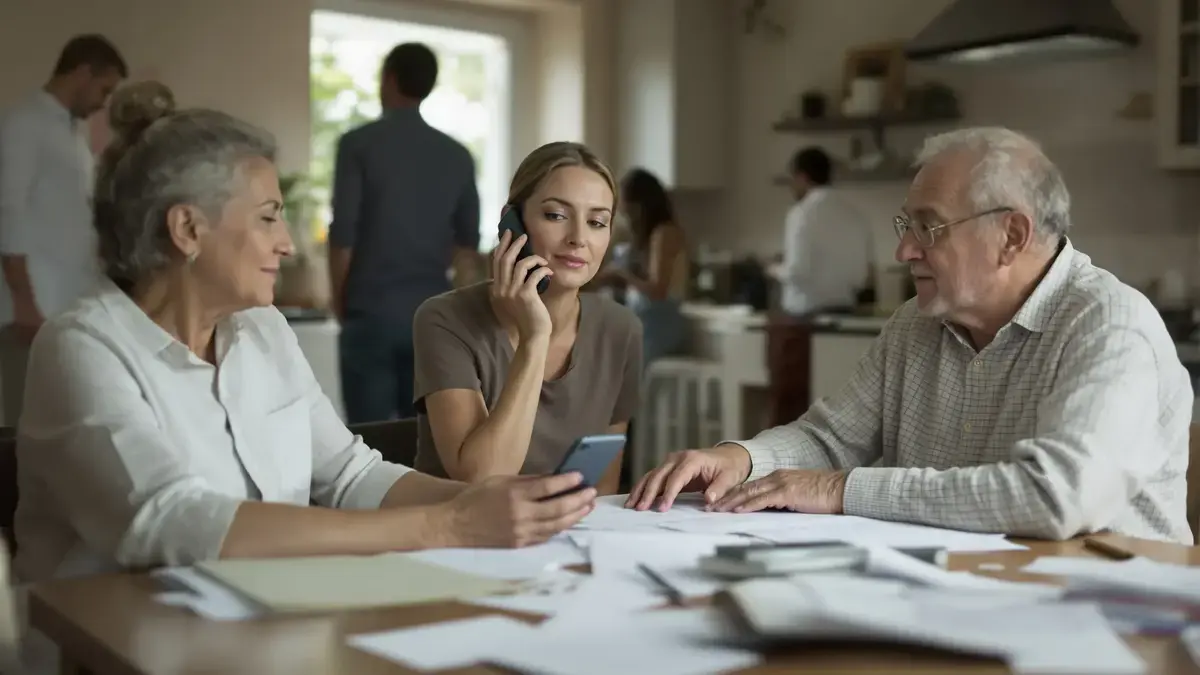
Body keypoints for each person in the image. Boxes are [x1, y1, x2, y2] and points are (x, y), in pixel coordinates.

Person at [12, 82, 597, 590]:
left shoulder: (261, 331)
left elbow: (350, 475)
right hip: (103, 651)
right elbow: (168, 521)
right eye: (269, 215)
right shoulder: (82, 347)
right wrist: (450, 525)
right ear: (187, 228)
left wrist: (504, 505)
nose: (287, 243)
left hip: (258, 629)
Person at [627, 126, 1193, 545]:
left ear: (1011, 236)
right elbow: (829, 439)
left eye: (929, 226)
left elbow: (1056, 496)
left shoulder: (1109, 324)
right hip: (962, 601)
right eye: (907, 225)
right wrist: (739, 458)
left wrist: (837, 490)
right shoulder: (914, 325)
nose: (904, 251)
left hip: (1104, 625)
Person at [410, 142, 642, 495]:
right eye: (556, 216)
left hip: (564, 539)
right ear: (512, 222)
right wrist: (536, 338)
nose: (579, 238)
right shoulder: (444, 320)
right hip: (458, 538)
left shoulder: (620, 329)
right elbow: (481, 482)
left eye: (597, 222)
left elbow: (602, 490)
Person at [327, 42, 480, 424]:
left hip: (370, 310)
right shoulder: (457, 156)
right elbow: (466, 247)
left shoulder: (357, 145)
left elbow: (343, 234)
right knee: (427, 438)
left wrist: (339, 299)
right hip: (433, 317)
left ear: (389, 79)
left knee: (370, 441)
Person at [0, 34, 127, 426]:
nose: (103, 102)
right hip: (32, 303)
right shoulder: (24, 123)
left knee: (64, 422)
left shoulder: (74, 132)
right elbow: (9, 210)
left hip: (68, 301)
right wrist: (23, 299)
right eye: (103, 89)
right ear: (83, 72)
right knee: (28, 421)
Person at [769, 146, 873, 316]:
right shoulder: (855, 216)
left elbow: (797, 272)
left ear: (802, 177)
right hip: (845, 313)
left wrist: (773, 269)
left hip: (805, 317)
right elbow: (861, 277)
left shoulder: (801, 213)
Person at [601, 168, 689, 365]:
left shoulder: (664, 233)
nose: (625, 213)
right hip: (645, 323)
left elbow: (658, 290)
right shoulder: (644, 237)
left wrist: (623, 275)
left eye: (628, 207)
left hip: (659, 327)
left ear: (641, 204)